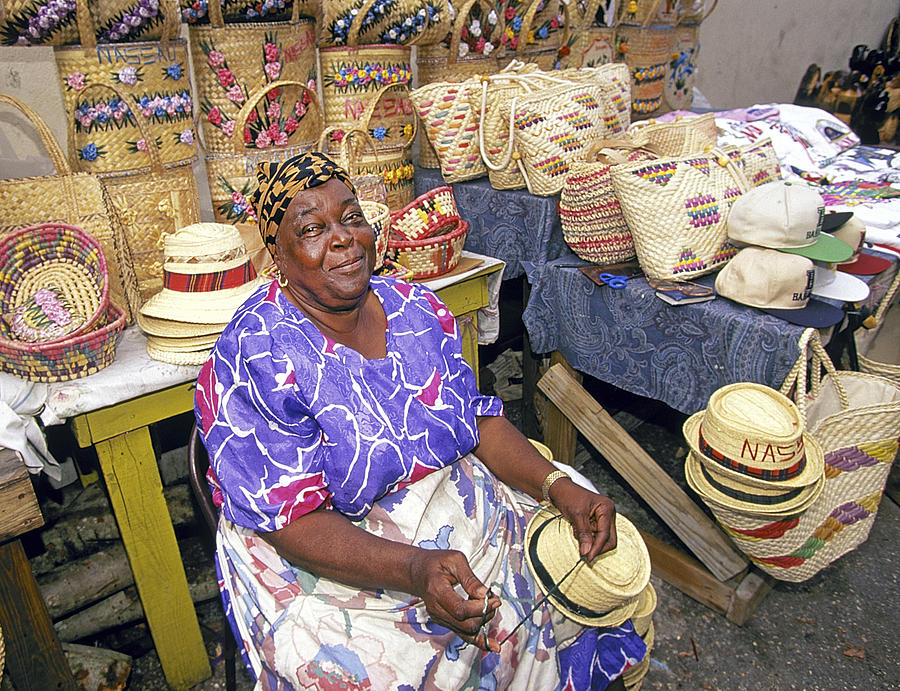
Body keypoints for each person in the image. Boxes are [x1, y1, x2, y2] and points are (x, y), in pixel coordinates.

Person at [194, 152, 646, 689]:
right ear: (278, 254)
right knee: (373, 670)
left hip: (452, 509)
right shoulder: (255, 353)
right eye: (313, 229)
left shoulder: (413, 307)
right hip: (325, 544)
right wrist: (414, 569)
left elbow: (475, 419)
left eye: (351, 217)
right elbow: (292, 520)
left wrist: (557, 485)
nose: (343, 239)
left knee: (572, 575)